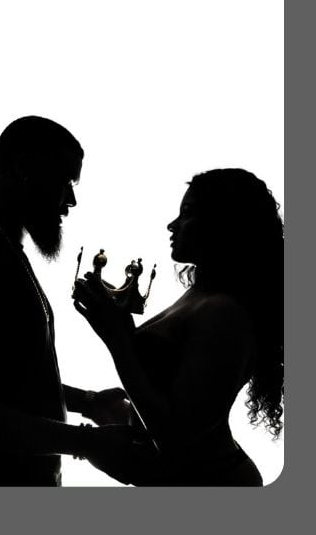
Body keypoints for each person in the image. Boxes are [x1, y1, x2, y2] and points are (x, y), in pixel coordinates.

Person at [0, 115, 145, 486]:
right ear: (25, 168)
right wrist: (85, 442)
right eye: (65, 181)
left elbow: (3, 383)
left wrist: (87, 402)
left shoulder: (1, 249)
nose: (71, 200)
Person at [72, 168, 284, 485]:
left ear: (223, 224)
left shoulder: (225, 313)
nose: (173, 225)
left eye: (187, 213)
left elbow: (175, 436)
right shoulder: (202, 294)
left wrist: (117, 339)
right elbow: (172, 402)